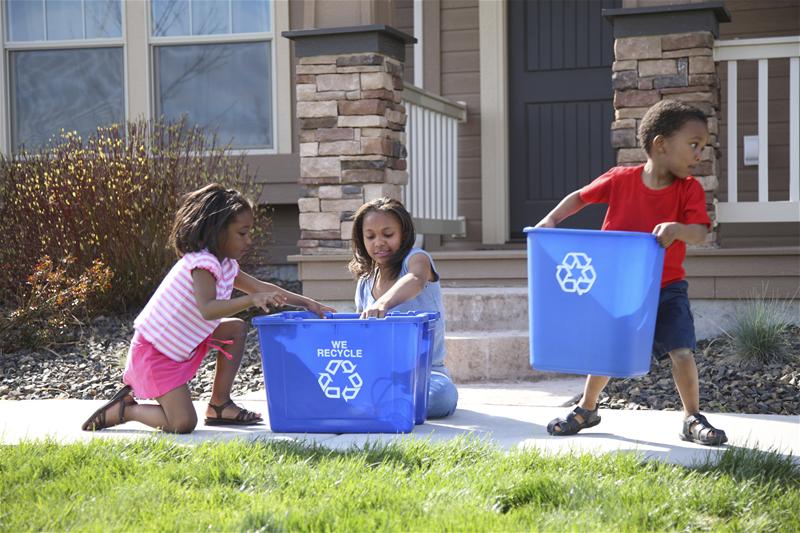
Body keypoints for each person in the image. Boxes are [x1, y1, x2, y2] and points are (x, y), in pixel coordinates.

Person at [536, 99, 727, 446]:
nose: (700, 155)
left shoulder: (689, 190)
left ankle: (692, 417)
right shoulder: (621, 180)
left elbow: (700, 231)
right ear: (661, 144)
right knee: (607, 351)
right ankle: (587, 408)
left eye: (704, 146)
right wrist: (550, 221)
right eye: (694, 145)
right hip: (619, 287)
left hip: (667, 287)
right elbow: (580, 198)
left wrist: (678, 229)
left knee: (681, 351)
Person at [82, 183, 335, 434]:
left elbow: (260, 286)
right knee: (182, 423)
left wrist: (307, 303)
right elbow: (208, 309)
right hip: (156, 352)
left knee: (236, 329)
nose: (249, 240)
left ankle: (219, 405)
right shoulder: (203, 263)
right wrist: (250, 300)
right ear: (218, 232)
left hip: (180, 342)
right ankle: (126, 410)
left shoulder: (226, 264)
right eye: (242, 233)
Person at [349, 197, 458, 419]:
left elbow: (416, 279)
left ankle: (381, 403)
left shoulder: (417, 259)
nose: (378, 242)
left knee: (440, 398)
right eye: (370, 236)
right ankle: (385, 401)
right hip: (380, 375)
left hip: (426, 375)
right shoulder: (365, 282)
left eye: (387, 235)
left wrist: (383, 303)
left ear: (404, 235)